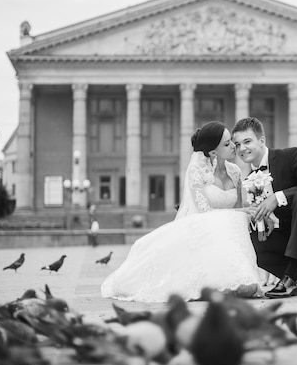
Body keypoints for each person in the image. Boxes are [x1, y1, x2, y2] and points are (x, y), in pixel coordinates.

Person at [101, 121, 262, 302]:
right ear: (213, 152)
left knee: (248, 286)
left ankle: (233, 277)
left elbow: (237, 210)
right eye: (227, 144)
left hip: (231, 237)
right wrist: (243, 212)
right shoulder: (196, 171)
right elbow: (204, 212)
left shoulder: (235, 171)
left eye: (232, 141)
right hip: (205, 234)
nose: (235, 146)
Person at [232, 117, 297, 299]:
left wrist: (278, 197)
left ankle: (290, 277)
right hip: (287, 237)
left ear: (262, 141)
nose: (242, 148)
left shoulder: (289, 156)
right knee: (247, 241)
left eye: (247, 141)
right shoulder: (250, 178)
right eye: (237, 144)